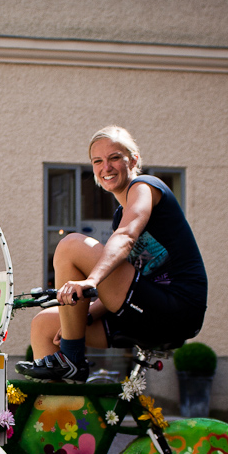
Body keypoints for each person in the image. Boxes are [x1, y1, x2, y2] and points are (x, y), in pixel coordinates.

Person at [17, 126, 207, 382]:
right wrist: (83, 315)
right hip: (144, 309)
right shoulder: (120, 215)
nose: (106, 167)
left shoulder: (145, 187)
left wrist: (91, 280)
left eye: (115, 157)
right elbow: (122, 283)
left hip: (177, 308)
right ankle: (60, 416)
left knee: (71, 245)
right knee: (44, 324)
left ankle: (71, 359)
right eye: (98, 161)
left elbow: (127, 236)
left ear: (134, 160)